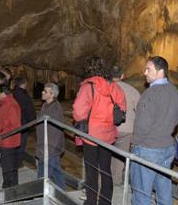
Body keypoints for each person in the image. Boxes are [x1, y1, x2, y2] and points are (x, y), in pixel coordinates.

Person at [73, 56, 126, 205]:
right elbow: (122, 107)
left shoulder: (87, 87)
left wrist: (83, 118)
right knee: (105, 168)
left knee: (91, 170)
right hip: (108, 134)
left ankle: (90, 201)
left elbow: (78, 110)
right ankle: (105, 201)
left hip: (91, 135)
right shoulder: (113, 86)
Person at [130, 56, 178, 205]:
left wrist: (135, 144)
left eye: (148, 69)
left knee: (141, 194)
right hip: (167, 148)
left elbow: (142, 125)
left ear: (160, 72)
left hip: (148, 149)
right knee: (164, 192)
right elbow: (176, 119)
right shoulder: (173, 90)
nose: (145, 72)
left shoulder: (150, 94)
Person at [110, 66, 140, 186]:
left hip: (107, 127)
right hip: (126, 128)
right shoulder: (132, 90)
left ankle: (103, 180)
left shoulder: (105, 87)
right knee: (120, 156)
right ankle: (116, 180)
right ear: (122, 76)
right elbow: (140, 110)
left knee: (104, 154)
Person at [36, 83, 67, 190]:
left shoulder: (55, 109)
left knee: (43, 173)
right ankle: (63, 192)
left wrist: (48, 149)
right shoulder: (46, 105)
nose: (42, 92)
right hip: (45, 145)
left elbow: (55, 131)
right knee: (56, 171)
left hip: (49, 147)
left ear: (52, 94)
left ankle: (39, 193)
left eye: (45, 91)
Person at [0, 84, 21, 188]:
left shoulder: (10, 105)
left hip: (8, 140)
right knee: (8, 164)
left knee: (8, 165)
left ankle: (8, 186)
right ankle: (11, 186)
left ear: (4, 94)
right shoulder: (6, 103)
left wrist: (2, 133)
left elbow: (16, 125)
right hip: (5, 139)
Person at [12, 76, 36, 166]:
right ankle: (18, 162)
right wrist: (32, 123)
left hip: (13, 122)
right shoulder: (25, 96)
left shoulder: (11, 94)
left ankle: (11, 160)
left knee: (13, 141)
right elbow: (30, 110)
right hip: (23, 123)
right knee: (21, 143)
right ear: (23, 84)